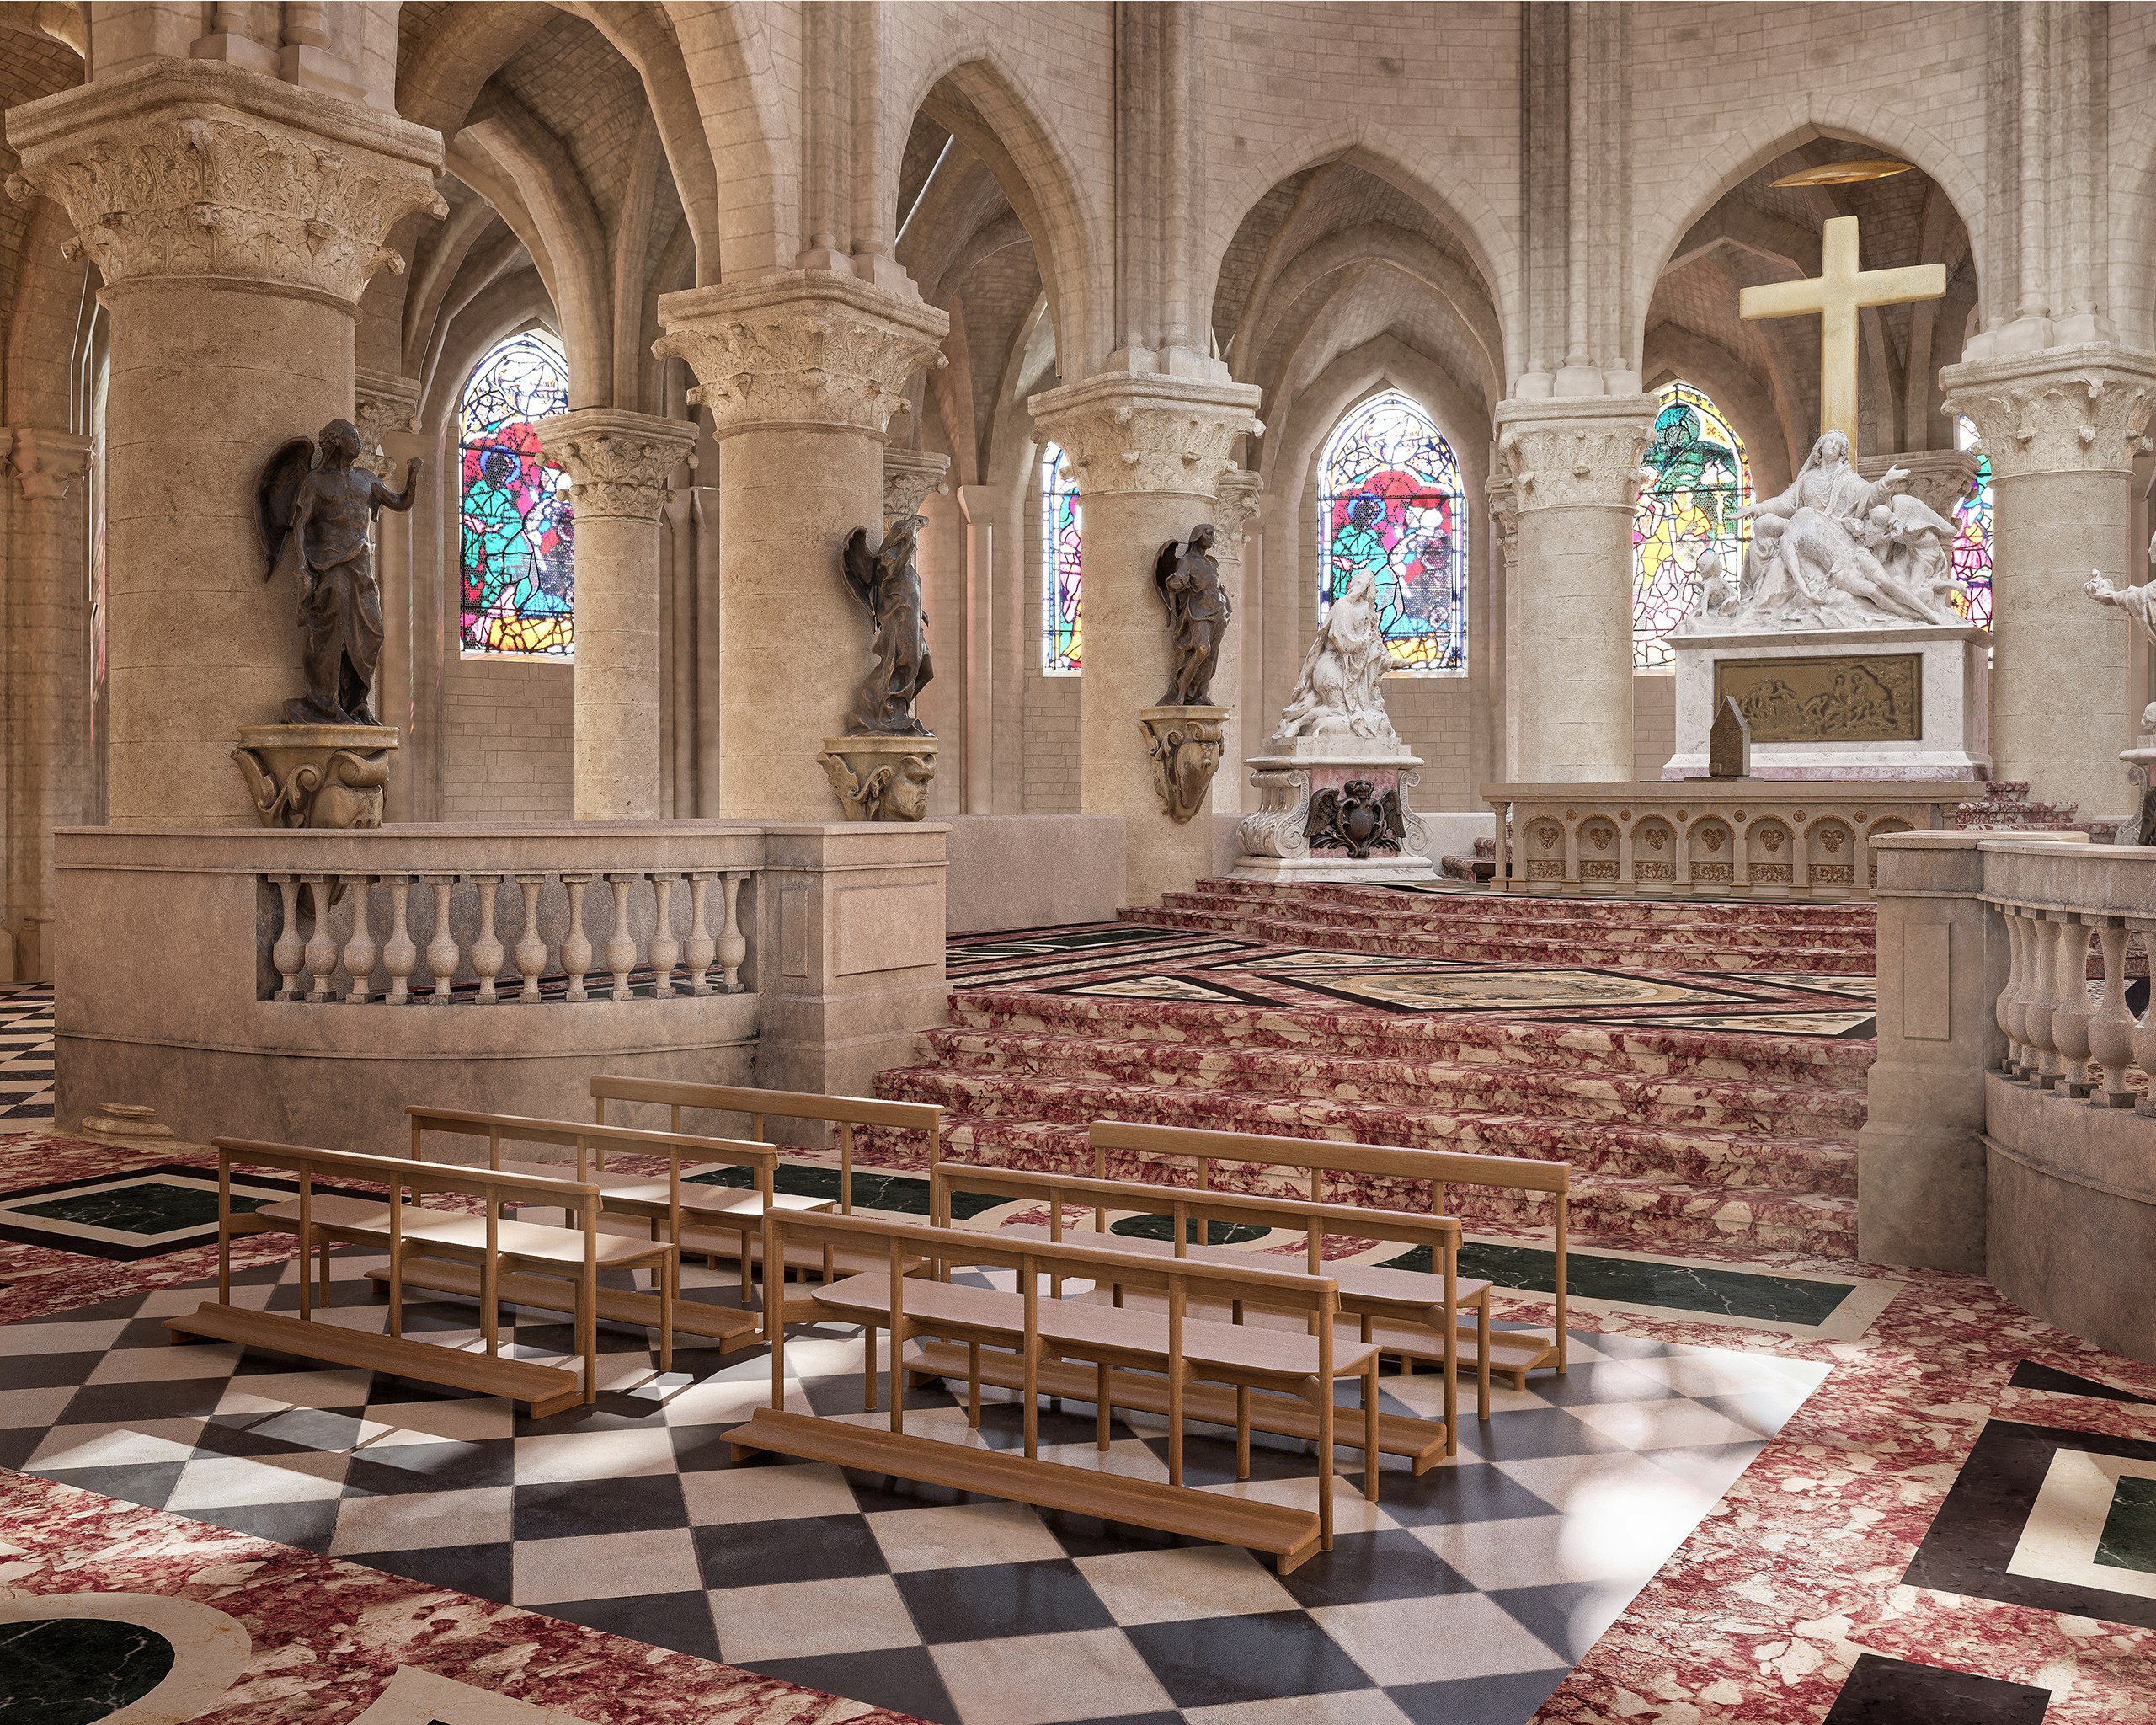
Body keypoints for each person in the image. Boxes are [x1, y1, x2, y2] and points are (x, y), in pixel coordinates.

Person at [265, 419, 422, 725]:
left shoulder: (366, 478)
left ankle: (357, 702)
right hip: (330, 566)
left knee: (372, 633)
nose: (358, 442)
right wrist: (301, 565)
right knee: (330, 634)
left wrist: (413, 475)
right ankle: (324, 703)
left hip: (361, 568)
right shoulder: (315, 482)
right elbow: (301, 525)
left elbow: (401, 502)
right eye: (352, 437)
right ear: (335, 441)